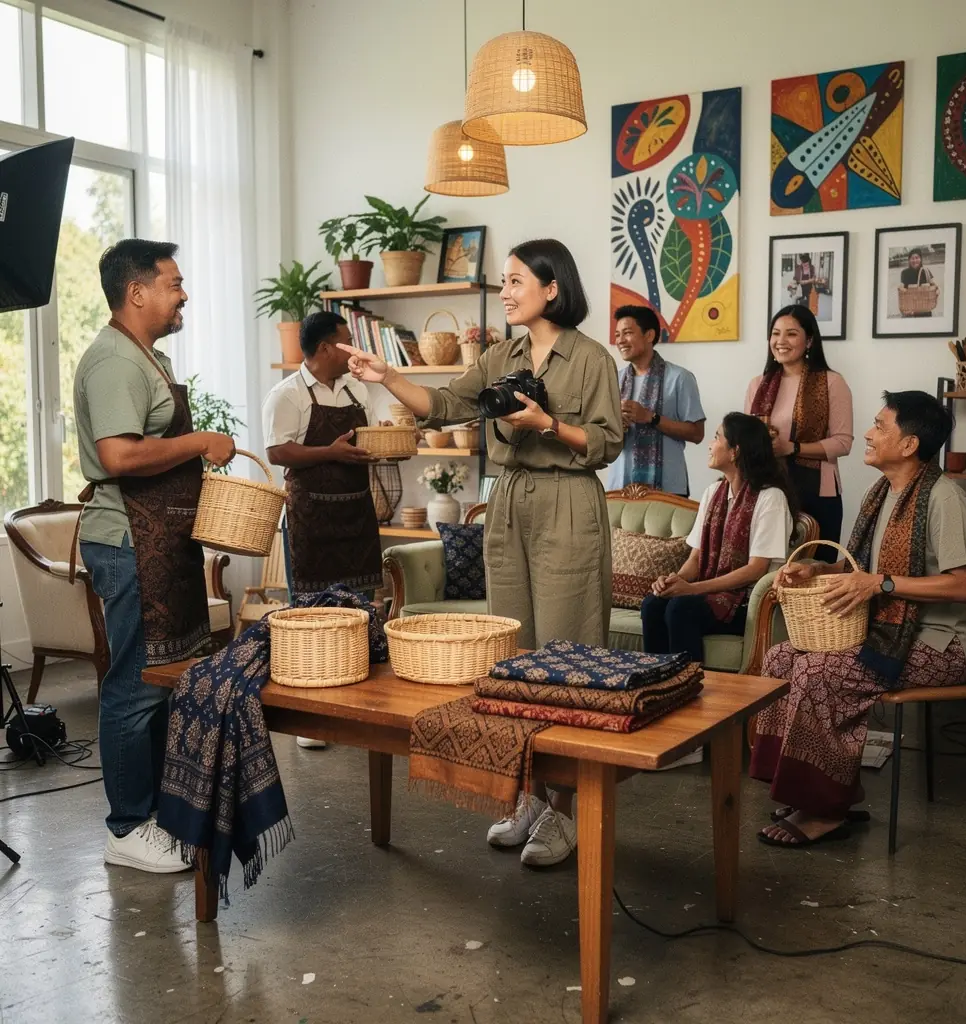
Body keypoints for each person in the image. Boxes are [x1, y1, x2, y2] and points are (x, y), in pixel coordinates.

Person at [342, 238, 622, 867]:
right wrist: (386, 374)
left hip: (568, 501)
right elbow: (444, 405)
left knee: (566, 652)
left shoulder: (592, 359)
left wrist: (546, 425)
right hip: (509, 501)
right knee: (515, 656)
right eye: (503, 280)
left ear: (553, 288)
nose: (507, 291)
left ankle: (564, 814)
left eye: (518, 280)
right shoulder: (499, 356)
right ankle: (528, 796)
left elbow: (605, 443)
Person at [752, 391, 966, 848]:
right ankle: (825, 792)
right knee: (780, 658)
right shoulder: (882, 493)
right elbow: (861, 571)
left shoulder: (944, 498)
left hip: (940, 645)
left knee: (821, 671)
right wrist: (818, 568)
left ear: (910, 444)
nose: (869, 435)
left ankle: (825, 810)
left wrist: (882, 585)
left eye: (880, 426)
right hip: (886, 632)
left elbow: (963, 586)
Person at [74, 239, 235, 872]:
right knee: (135, 686)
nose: (184, 293)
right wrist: (198, 441)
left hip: (163, 541)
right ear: (136, 291)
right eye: (173, 283)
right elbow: (118, 457)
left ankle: (161, 816)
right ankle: (125, 828)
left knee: (167, 680)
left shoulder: (149, 357)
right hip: (128, 542)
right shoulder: (114, 359)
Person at [262, 309, 382, 750]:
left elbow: (365, 438)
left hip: (356, 512)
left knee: (359, 612)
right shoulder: (287, 394)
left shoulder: (357, 388)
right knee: (309, 616)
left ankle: (362, 705)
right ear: (326, 347)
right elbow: (277, 452)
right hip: (310, 517)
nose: (352, 348)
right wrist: (329, 453)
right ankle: (308, 719)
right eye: (346, 341)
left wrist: (377, 447)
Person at [641, 413, 795, 661]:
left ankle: (687, 687)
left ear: (735, 451)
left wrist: (692, 589)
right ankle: (656, 684)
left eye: (716, 438)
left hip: (745, 602)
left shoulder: (771, 498)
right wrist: (673, 582)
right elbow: (696, 557)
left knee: (682, 608)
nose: (711, 445)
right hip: (708, 595)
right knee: (653, 603)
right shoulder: (713, 492)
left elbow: (756, 569)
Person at [745, 305, 853, 560]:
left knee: (815, 570)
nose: (780, 341)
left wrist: (792, 447)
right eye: (775, 333)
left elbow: (843, 442)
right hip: (768, 486)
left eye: (791, 334)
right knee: (768, 568)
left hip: (817, 490)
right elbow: (748, 437)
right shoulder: (757, 384)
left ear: (810, 341)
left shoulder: (832, 382)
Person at [606, 304, 705, 497]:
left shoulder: (680, 378)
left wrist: (651, 417)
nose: (620, 341)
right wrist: (615, 423)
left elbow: (697, 433)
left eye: (627, 333)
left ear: (649, 335)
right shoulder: (613, 380)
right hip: (620, 488)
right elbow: (602, 433)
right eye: (617, 335)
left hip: (668, 489)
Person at [900, 248, 936, 318]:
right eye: (912, 258)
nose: (915, 260)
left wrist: (936, 290)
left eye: (917, 258)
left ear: (921, 259)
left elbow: (934, 286)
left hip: (925, 308)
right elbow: (901, 287)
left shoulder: (926, 271)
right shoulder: (904, 273)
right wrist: (901, 289)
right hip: (910, 308)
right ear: (909, 260)